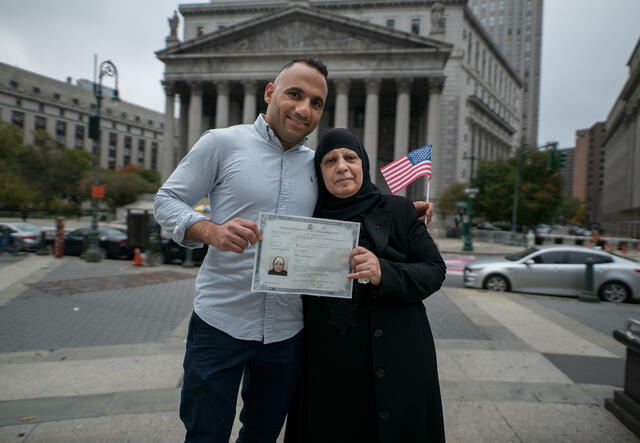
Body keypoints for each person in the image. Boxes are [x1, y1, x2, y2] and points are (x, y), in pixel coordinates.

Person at [154, 57, 434, 442]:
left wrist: (399, 211)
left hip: (288, 330)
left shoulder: (316, 166)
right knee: (205, 433)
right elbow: (166, 200)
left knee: (263, 434)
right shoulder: (222, 143)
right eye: (295, 94)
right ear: (270, 93)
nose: (304, 109)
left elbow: (348, 202)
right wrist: (210, 231)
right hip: (221, 320)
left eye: (316, 102)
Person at [285, 128, 446, 443]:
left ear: (364, 164)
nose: (342, 166)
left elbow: (434, 270)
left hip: (400, 357)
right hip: (331, 367)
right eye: (330, 161)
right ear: (319, 173)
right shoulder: (306, 220)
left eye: (350, 157)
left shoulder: (398, 210)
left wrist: (384, 271)